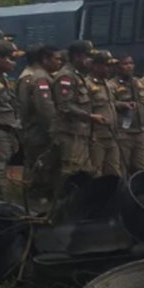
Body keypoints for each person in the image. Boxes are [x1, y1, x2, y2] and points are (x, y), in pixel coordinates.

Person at [52, 40, 105, 193]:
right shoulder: (66, 77)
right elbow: (65, 106)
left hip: (80, 134)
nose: (90, 61)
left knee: (84, 173)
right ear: (77, 56)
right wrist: (89, 116)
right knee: (70, 174)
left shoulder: (78, 76)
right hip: (69, 134)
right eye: (88, 57)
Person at [17, 44, 60, 205]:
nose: (59, 62)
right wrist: (54, 131)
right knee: (40, 169)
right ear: (43, 59)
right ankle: (35, 206)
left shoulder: (32, 76)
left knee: (38, 167)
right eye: (56, 59)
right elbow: (45, 110)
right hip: (39, 132)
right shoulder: (38, 78)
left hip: (35, 130)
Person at [0, 40, 24, 201]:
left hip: (7, 134)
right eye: (10, 58)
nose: (14, 63)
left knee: (0, 175)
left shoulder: (4, 79)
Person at [110, 54, 144, 174]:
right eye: (125, 64)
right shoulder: (112, 85)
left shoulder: (139, 83)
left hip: (140, 133)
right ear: (118, 67)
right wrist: (122, 105)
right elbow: (109, 104)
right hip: (123, 133)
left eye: (131, 63)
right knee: (122, 167)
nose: (129, 66)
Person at [85, 51, 123, 177]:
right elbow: (85, 110)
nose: (109, 69)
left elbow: (110, 104)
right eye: (106, 66)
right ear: (96, 66)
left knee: (114, 171)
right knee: (96, 172)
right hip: (96, 137)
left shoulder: (107, 84)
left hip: (112, 135)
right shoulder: (87, 84)